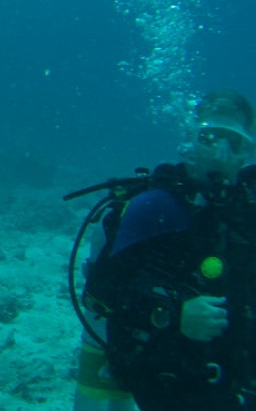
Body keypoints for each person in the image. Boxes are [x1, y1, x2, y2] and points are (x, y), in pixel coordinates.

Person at [74, 89, 256, 410]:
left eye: (234, 143)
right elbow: (103, 292)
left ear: (246, 154)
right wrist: (173, 311)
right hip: (172, 380)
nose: (221, 154)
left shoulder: (248, 211)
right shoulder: (155, 207)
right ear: (191, 142)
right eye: (210, 139)